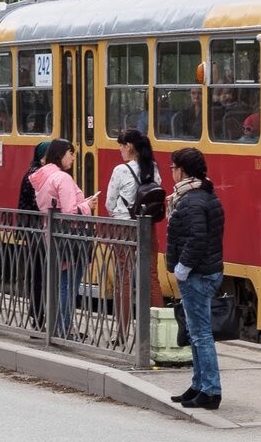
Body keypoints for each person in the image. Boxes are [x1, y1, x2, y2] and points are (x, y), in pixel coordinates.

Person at [165, 147, 225, 411]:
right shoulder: (205, 195)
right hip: (206, 271)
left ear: (183, 170)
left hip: (197, 274)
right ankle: (199, 384)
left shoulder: (190, 201)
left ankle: (210, 390)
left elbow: (197, 239)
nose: (171, 173)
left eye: (173, 168)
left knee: (200, 334)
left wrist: (183, 266)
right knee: (197, 332)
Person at [30, 139, 95, 337]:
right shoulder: (62, 178)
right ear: (61, 154)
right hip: (71, 237)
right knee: (69, 285)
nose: (74, 157)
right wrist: (87, 205)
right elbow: (69, 212)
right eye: (71, 153)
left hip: (52, 234)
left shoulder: (42, 177)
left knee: (60, 283)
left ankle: (57, 326)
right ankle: (64, 328)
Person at [106, 128, 159, 340]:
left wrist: (119, 211)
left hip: (124, 227)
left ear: (129, 146)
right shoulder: (153, 167)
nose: (120, 149)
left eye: (121, 145)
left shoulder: (121, 170)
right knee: (152, 276)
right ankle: (156, 334)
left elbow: (109, 202)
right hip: (148, 226)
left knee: (124, 278)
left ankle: (122, 333)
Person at [19, 140, 53, 331]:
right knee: (39, 274)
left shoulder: (32, 173)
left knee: (38, 274)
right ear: (42, 158)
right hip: (37, 230)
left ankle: (38, 315)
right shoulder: (36, 176)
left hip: (34, 230)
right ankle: (39, 315)